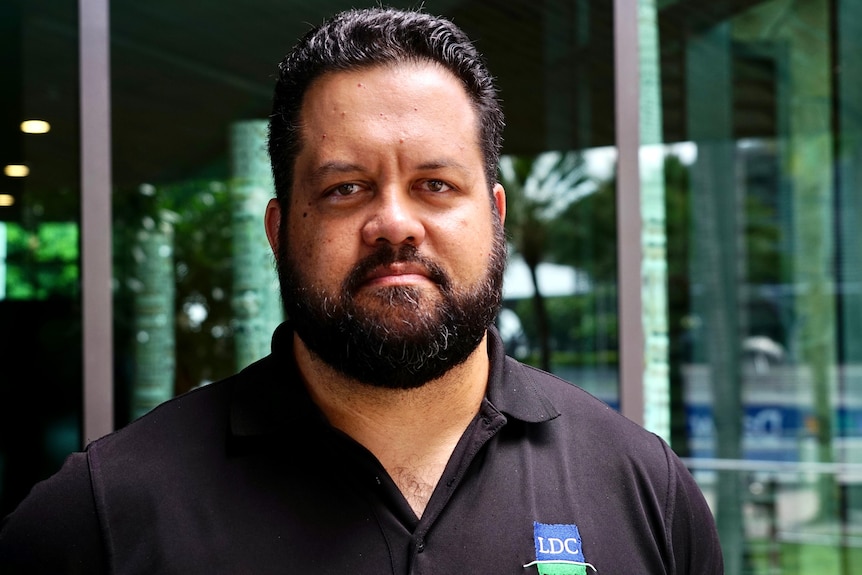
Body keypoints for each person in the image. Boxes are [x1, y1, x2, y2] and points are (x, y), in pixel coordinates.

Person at [0, 7, 723, 574]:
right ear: (280, 231)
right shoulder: (95, 519)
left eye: (435, 184)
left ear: (495, 217)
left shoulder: (645, 491)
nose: (395, 223)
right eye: (345, 188)